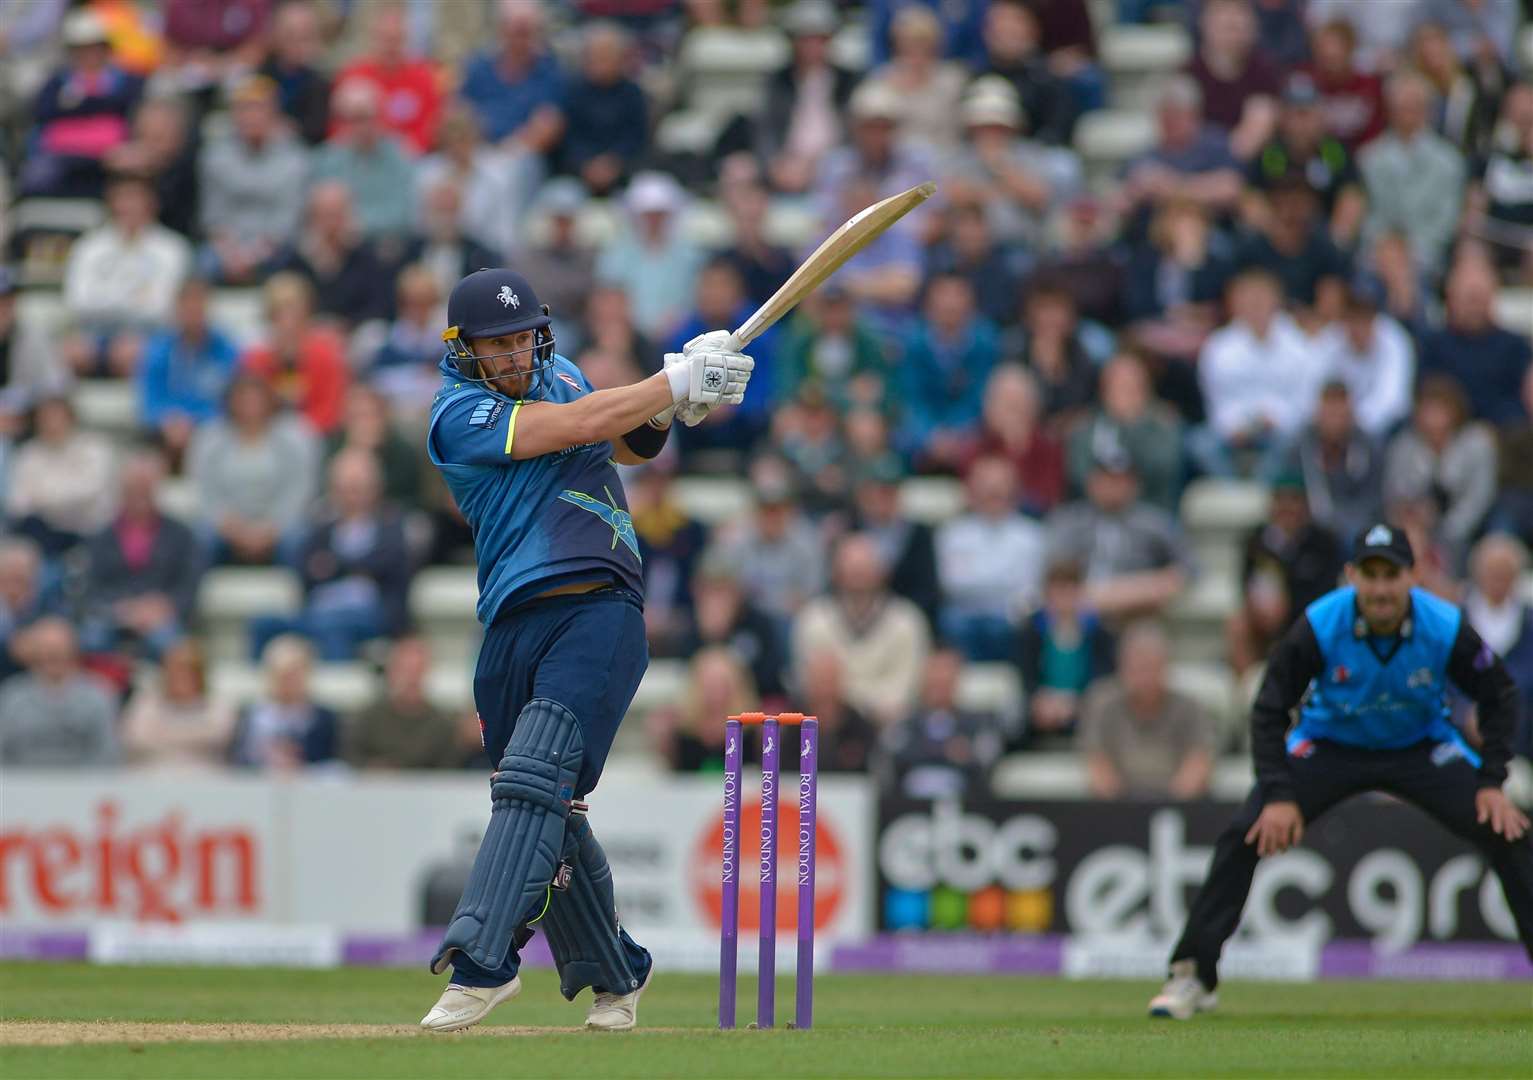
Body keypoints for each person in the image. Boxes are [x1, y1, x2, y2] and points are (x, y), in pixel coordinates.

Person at [417, 266, 754, 1032]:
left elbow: (626, 442)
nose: (512, 356)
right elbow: (570, 429)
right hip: (511, 620)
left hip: (600, 605)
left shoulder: (561, 372)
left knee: (535, 776)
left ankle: (483, 963)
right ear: (462, 350)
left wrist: (675, 407)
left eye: (520, 339)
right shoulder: (454, 414)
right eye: (493, 345)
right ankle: (616, 972)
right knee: (546, 807)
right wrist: (670, 378)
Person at [1148, 523, 1533, 1020]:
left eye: (1390, 575)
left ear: (1411, 577)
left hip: (1421, 745)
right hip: (1331, 744)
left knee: (1509, 830)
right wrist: (1280, 793)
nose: (1379, 589)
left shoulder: (1443, 624)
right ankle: (1193, 974)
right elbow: (1269, 708)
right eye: (1369, 575)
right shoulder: (1321, 622)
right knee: (1244, 833)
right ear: (1351, 576)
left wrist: (1491, 782)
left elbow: (1499, 693)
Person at [1080, 621, 1218, 800]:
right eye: (1137, 667)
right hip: (1117, 807)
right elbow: (1096, 761)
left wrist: (1168, 803)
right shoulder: (1102, 704)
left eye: (1151, 666)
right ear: (1122, 666)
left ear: (1165, 666)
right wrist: (1124, 806)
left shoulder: (1189, 707)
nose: (1144, 676)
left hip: (1177, 804)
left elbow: (1199, 761)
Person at [0, 617, 119, 768]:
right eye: (46, 648)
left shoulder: (98, 694)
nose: (53, 654)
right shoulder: (11, 695)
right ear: (34, 652)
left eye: (59, 648)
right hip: (22, 785)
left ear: (73, 650)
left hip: (82, 786)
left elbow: (106, 754)